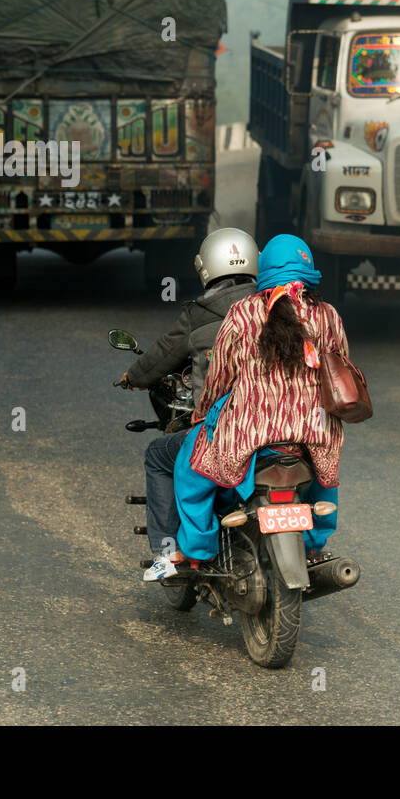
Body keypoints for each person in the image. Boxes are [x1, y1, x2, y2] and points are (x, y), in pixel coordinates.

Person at [170, 233, 350, 570]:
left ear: (263, 270)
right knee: (325, 478)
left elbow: (220, 377)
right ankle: (313, 545)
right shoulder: (327, 316)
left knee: (189, 469)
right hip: (313, 434)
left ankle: (197, 550)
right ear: (309, 269)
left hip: (251, 436)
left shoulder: (242, 314)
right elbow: (340, 370)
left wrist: (203, 414)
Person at [120, 228, 259, 583]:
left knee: (161, 456)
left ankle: (168, 553)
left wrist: (134, 376)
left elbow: (164, 353)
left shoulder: (203, 313)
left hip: (228, 429)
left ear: (206, 267)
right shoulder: (274, 305)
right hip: (283, 427)